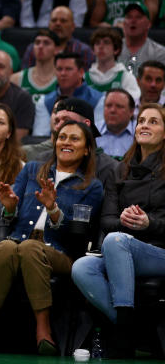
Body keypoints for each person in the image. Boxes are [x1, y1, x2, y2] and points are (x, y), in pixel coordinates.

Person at [0, 120, 103, 354]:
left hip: (61, 252)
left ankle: (43, 328)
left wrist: (53, 209)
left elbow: (79, 233)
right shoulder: (32, 169)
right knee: (4, 248)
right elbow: (9, 213)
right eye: (62, 137)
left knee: (31, 248)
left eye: (75, 139)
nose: (66, 142)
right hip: (19, 241)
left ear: (86, 149)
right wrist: (10, 206)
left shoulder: (92, 186)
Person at [71, 104, 165, 359]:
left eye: (153, 122)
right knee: (81, 267)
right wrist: (126, 220)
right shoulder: (119, 169)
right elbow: (107, 220)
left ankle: (122, 335)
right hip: (121, 248)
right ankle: (133, 329)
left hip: (159, 252)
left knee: (116, 240)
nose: (144, 125)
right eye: (142, 120)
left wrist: (149, 223)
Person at [13, 29, 59, 105]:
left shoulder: (63, 78)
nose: (40, 46)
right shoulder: (16, 79)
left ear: (56, 49)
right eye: (37, 43)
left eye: (46, 43)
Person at [96, 89, 137, 160]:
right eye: (108, 106)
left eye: (119, 106)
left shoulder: (139, 132)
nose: (112, 110)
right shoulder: (92, 131)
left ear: (131, 111)